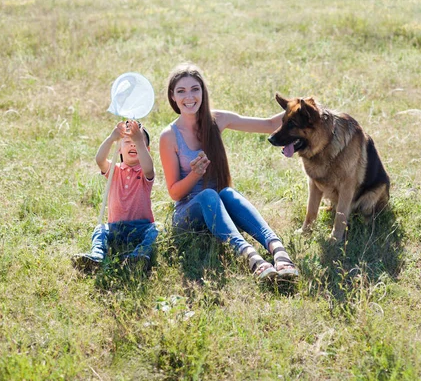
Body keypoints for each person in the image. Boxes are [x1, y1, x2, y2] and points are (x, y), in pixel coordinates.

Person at [159, 62, 298, 281]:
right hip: (187, 213)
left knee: (227, 193)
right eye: (181, 91)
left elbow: (269, 124)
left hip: (220, 205)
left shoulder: (217, 120)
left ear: (203, 92)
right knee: (209, 195)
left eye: (195, 89)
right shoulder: (169, 136)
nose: (189, 97)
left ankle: (279, 251)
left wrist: (305, 109)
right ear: (173, 97)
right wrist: (195, 174)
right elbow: (175, 193)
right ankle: (251, 257)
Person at [72, 120, 158, 272]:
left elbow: (149, 167)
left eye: (138, 142)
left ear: (147, 149)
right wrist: (112, 138)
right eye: (128, 141)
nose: (133, 145)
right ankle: (97, 257)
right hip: (115, 227)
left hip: (141, 226)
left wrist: (139, 141)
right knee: (100, 229)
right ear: (119, 149)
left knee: (156, 230)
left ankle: (139, 256)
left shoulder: (144, 172)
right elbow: (99, 160)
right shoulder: (114, 171)